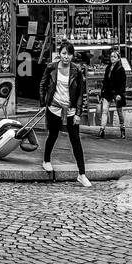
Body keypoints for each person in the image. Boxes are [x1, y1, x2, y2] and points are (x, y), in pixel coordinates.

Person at [39, 41, 92, 186]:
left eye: (69, 54)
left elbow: (81, 93)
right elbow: (43, 84)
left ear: (72, 55)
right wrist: (44, 102)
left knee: (76, 140)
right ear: (59, 54)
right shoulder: (51, 67)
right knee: (53, 135)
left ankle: (82, 174)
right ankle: (46, 160)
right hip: (54, 108)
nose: (66, 57)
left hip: (71, 110)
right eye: (63, 53)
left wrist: (78, 114)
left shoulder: (77, 70)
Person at [98, 50, 129, 139]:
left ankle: (122, 129)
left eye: (114, 57)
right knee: (104, 110)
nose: (112, 58)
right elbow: (105, 81)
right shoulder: (108, 67)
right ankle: (102, 129)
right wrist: (102, 92)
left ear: (118, 58)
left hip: (117, 93)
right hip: (107, 92)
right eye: (111, 56)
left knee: (119, 112)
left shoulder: (120, 69)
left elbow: (123, 83)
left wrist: (120, 94)